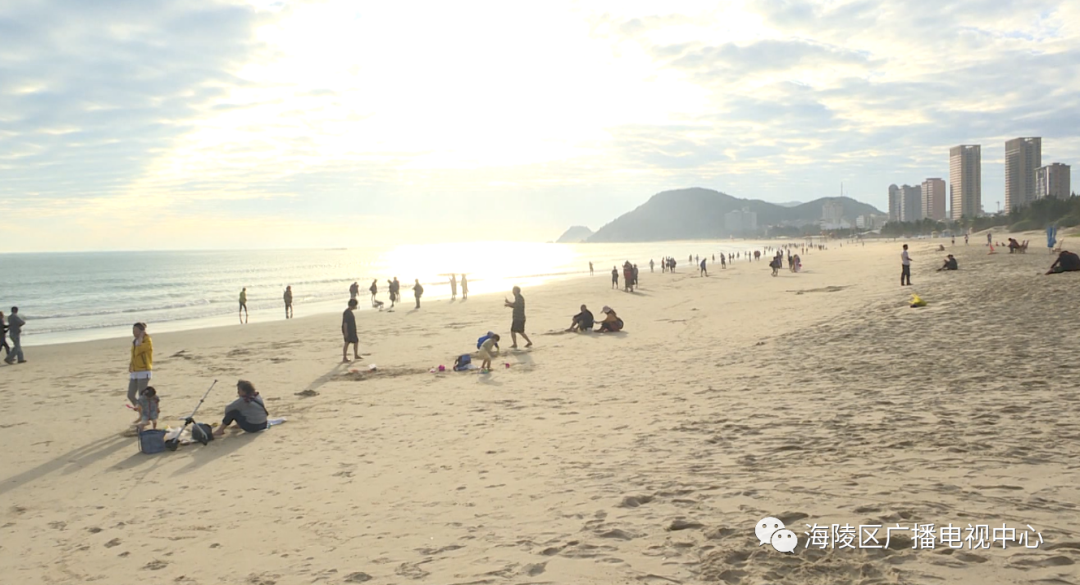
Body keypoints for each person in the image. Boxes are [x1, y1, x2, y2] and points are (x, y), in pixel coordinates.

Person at [127, 322, 153, 417]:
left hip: (144, 371)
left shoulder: (147, 340)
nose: (134, 333)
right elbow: (134, 355)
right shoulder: (135, 341)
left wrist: (141, 337)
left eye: (136, 331)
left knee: (142, 396)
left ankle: (144, 416)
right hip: (135, 371)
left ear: (142, 331)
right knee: (130, 395)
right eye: (133, 331)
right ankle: (142, 413)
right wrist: (131, 364)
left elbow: (139, 349)